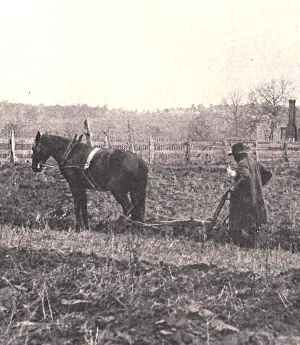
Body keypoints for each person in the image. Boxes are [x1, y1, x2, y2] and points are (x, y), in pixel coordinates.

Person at [228, 142, 272, 248]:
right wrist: (258, 186)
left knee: (241, 222)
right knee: (254, 224)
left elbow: (245, 177)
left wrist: (234, 187)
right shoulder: (255, 162)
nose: (234, 158)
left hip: (245, 200)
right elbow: (268, 173)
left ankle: (242, 245)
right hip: (256, 198)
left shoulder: (242, 164)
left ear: (238, 155)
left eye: (234, 155)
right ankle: (253, 245)